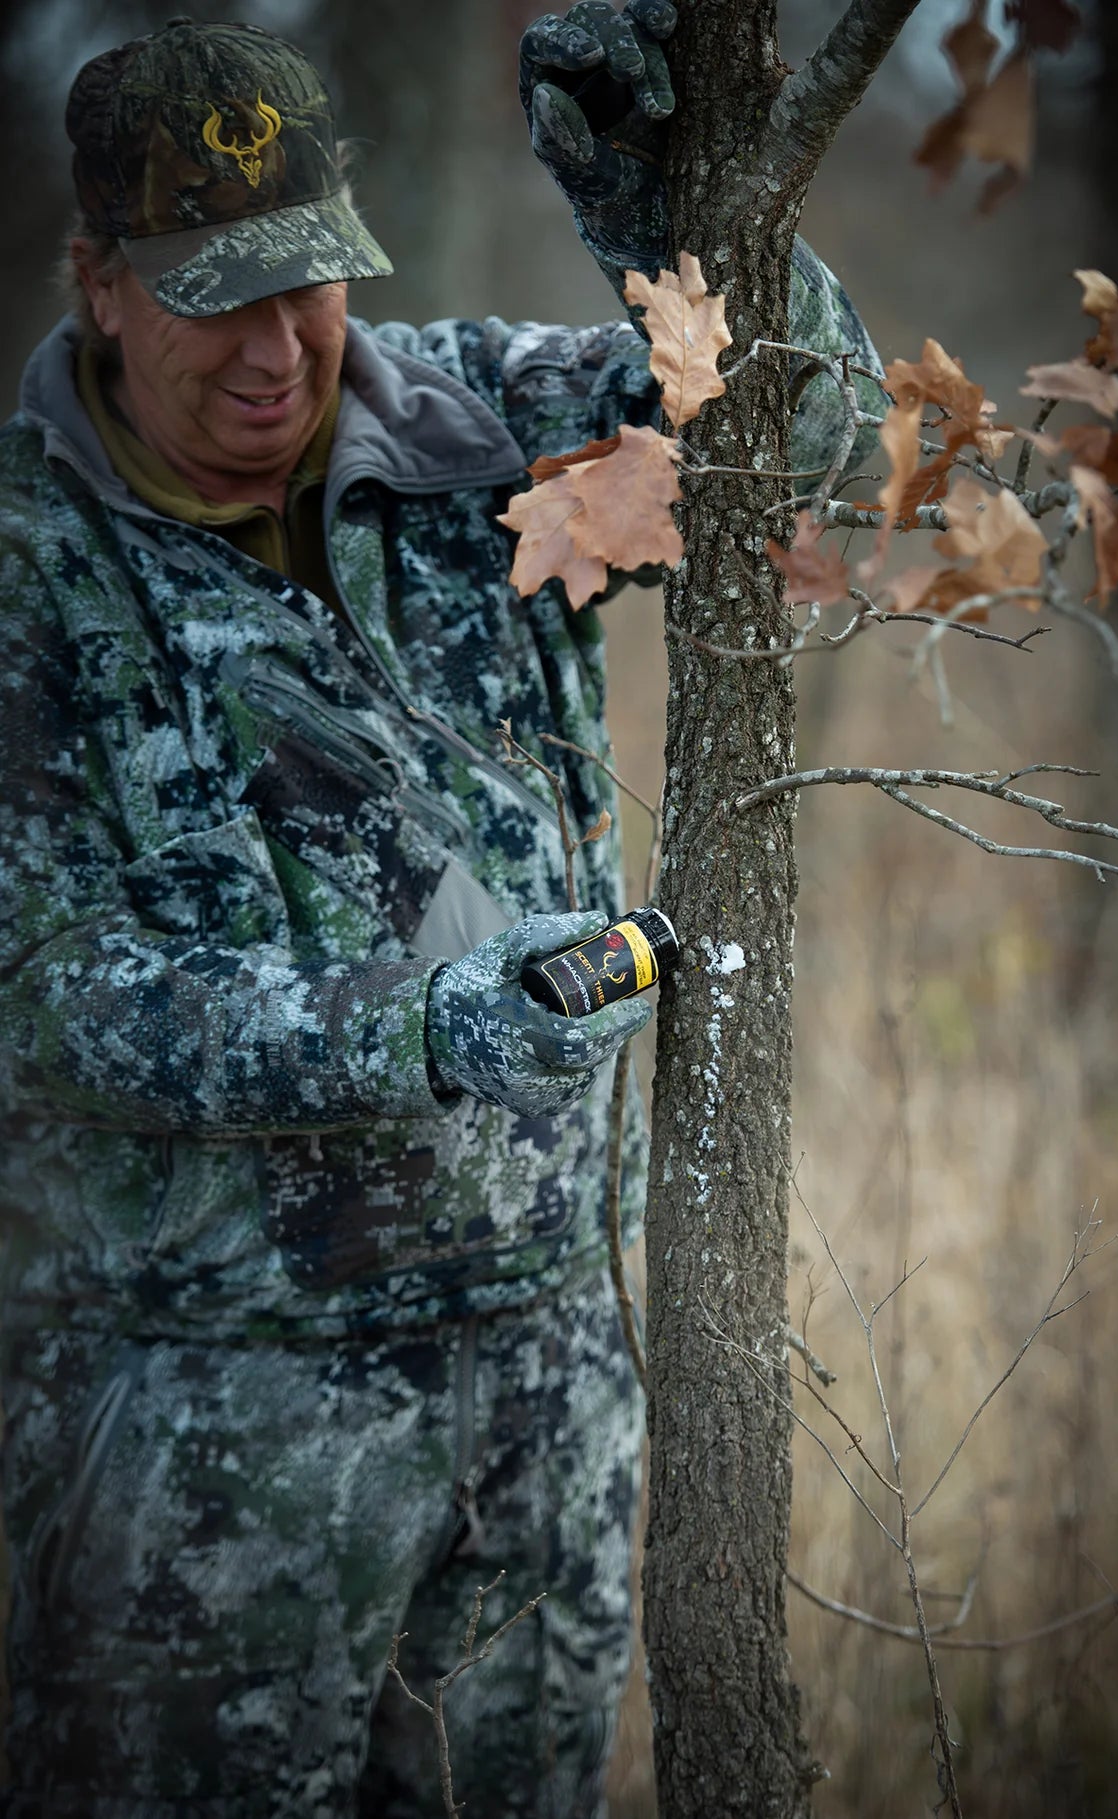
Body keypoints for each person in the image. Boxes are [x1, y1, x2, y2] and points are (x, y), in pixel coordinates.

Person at [0, 7, 882, 1815]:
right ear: (97, 278)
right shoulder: (29, 568)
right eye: (209, 295)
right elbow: (48, 986)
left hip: (550, 1389)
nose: (274, 350)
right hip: (206, 1436)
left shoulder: (473, 420)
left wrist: (661, 220)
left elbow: (818, 443)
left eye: (307, 284)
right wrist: (413, 1031)